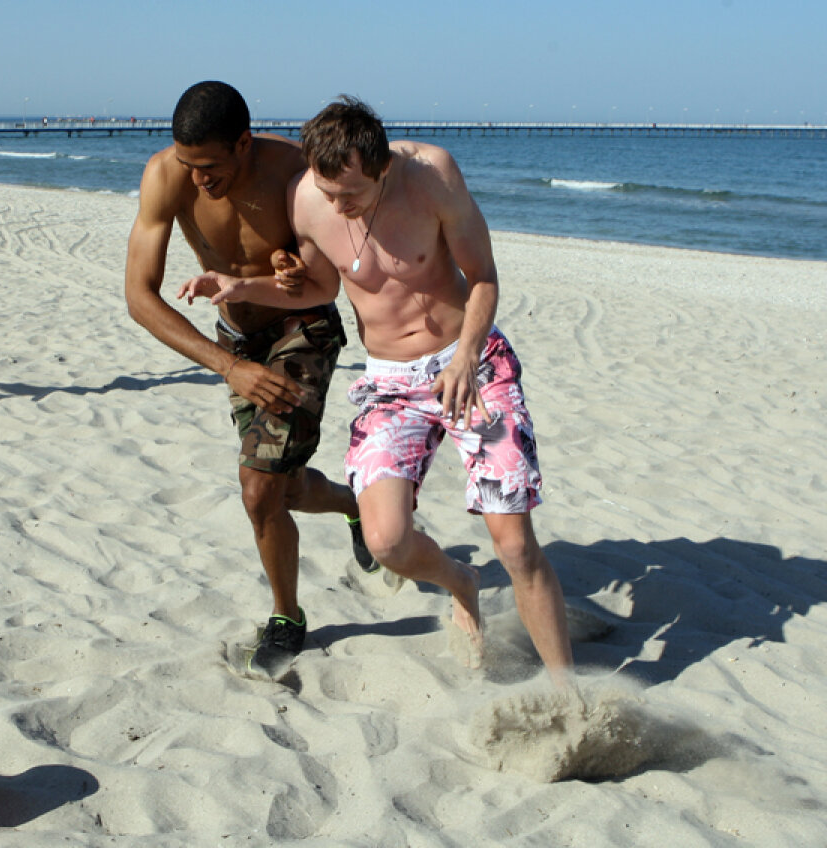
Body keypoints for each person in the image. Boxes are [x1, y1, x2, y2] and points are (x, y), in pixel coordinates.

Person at [179, 96, 574, 684]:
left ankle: (569, 697)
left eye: (353, 196)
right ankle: (461, 583)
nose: (340, 207)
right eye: (329, 193)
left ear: (382, 166)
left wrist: (466, 355)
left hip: (470, 360)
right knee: (387, 541)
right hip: (390, 380)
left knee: (514, 544)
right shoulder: (310, 199)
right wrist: (243, 286)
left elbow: (484, 278)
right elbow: (314, 289)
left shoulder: (432, 175)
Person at [125, 81, 377, 680]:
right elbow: (139, 296)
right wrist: (231, 364)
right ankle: (352, 504)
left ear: (243, 143)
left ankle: (286, 617)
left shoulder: (293, 168)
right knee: (283, 491)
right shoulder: (166, 177)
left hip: (302, 329)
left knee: (259, 488)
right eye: (190, 166)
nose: (199, 180)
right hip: (236, 344)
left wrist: (296, 264)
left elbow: (334, 264)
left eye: (210, 167)